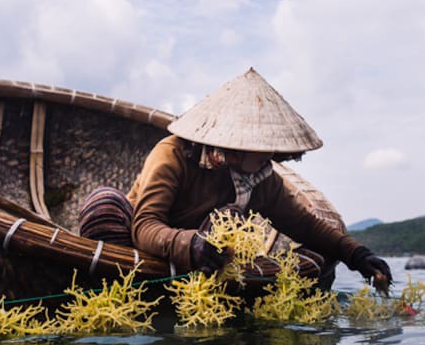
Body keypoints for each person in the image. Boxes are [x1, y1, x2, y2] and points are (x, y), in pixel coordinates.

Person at [79, 68, 392, 291]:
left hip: (204, 263)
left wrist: (356, 254)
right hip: (143, 250)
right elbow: (145, 226)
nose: (271, 156)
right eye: (263, 148)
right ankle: (118, 288)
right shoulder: (172, 154)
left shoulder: (259, 178)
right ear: (236, 147)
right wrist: (192, 245)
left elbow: (304, 225)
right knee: (104, 203)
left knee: (229, 219)